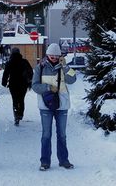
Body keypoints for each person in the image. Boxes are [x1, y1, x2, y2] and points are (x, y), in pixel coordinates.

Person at [32, 43, 77, 171]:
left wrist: (65, 66)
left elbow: (73, 79)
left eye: (56, 56)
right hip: (45, 106)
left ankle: (64, 160)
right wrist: (47, 87)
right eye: (51, 56)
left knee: (62, 135)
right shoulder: (39, 68)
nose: (54, 58)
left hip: (62, 105)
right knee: (46, 134)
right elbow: (34, 86)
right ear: (47, 55)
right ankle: (45, 162)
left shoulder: (63, 66)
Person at [2, 47, 33, 126]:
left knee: (15, 100)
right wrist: (29, 81)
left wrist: (4, 82)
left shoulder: (10, 62)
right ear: (19, 53)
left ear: (12, 53)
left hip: (13, 84)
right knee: (21, 99)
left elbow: (6, 73)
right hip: (23, 84)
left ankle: (16, 116)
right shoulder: (24, 62)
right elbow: (30, 72)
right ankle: (21, 114)